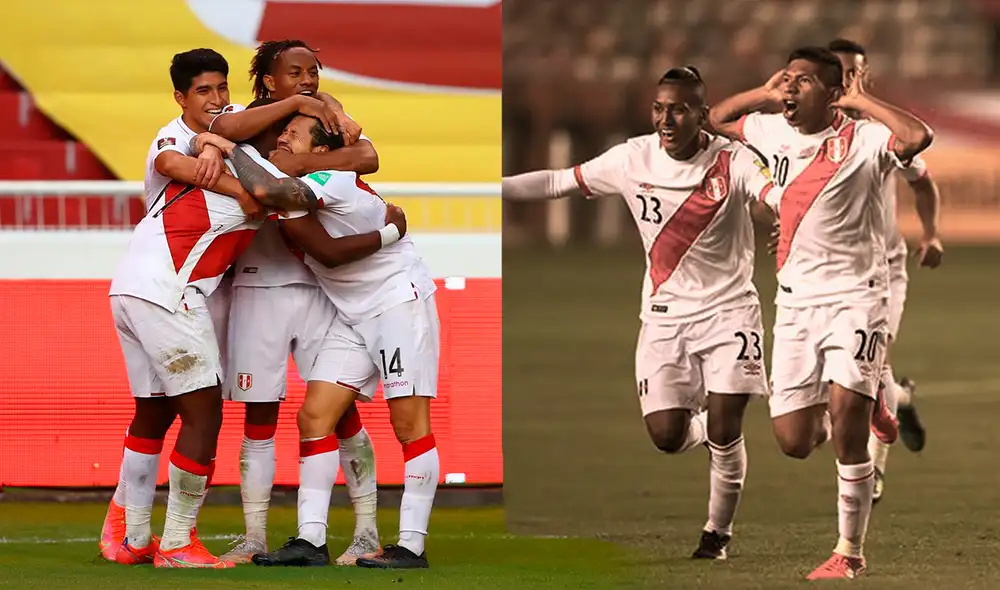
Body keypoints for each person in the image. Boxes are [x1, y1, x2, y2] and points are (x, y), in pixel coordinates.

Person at [503, 67, 778, 560]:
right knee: (667, 436)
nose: (665, 119)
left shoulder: (732, 160)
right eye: (659, 108)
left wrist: (784, 213)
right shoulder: (632, 158)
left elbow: (769, 195)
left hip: (730, 313)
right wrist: (491, 188)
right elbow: (558, 182)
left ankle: (717, 533)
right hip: (664, 316)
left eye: (677, 110)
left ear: (701, 114)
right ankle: (702, 424)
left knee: (725, 428)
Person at [710, 46, 934, 579]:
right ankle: (882, 398)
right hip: (795, 301)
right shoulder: (769, 129)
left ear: (833, 95)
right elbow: (715, 119)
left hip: (858, 296)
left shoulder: (864, 139)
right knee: (793, 440)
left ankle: (848, 553)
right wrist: (764, 92)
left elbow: (917, 138)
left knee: (847, 420)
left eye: (803, 82)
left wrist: (864, 100)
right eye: (788, 79)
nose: (790, 89)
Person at [198, 114, 438, 569]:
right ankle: (311, 541)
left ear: (320, 152)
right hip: (351, 312)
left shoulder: (333, 178)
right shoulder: (302, 184)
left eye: (295, 134)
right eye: (283, 132)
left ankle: (411, 546)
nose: (284, 137)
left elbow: (320, 243)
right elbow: (293, 215)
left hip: (397, 302)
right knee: (314, 416)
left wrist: (229, 147)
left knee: (409, 425)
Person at [213, 39, 383, 565]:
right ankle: (256, 537)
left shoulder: (326, 124)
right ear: (268, 81)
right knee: (259, 418)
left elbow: (368, 157)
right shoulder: (243, 119)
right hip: (257, 285)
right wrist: (304, 106)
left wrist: (318, 117)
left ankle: (366, 533)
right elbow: (221, 133)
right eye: (294, 72)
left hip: (317, 288)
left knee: (340, 412)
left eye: (314, 71)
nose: (308, 79)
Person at [99, 47, 263, 564]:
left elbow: (241, 128)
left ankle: (128, 536)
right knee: (203, 411)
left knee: (153, 410)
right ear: (180, 98)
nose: (217, 100)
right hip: (166, 289)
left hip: (132, 285)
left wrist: (217, 142)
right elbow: (172, 161)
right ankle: (177, 543)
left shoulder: (233, 130)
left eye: (222, 88)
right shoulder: (172, 137)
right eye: (203, 91)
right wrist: (236, 181)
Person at [827, 39, 941, 503]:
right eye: (836, 72)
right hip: (822, 274)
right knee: (839, 384)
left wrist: (930, 233)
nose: (845, 81)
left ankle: (873, 468)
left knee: (872, 366)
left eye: (854, 72)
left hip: (881, 268)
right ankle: (904, 399)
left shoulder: (880, 134)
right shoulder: (795, 136)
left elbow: (923, 181)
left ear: (865, 77)